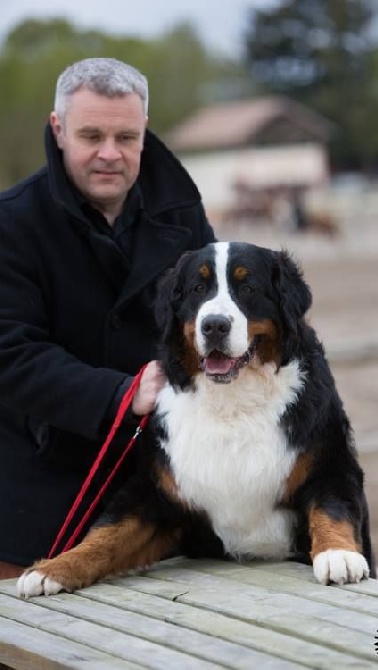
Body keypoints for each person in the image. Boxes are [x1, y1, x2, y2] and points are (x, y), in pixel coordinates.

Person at [0, 57, 216, 578]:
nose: (109, 154)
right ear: (58, 129)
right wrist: (121, 394)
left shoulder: (182, 213)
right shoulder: (11, 221)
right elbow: (11, 354)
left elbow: (213, 315)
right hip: (38, 483)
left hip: (158, 488)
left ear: (144, 132)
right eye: (90, 135)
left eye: (126, 137)